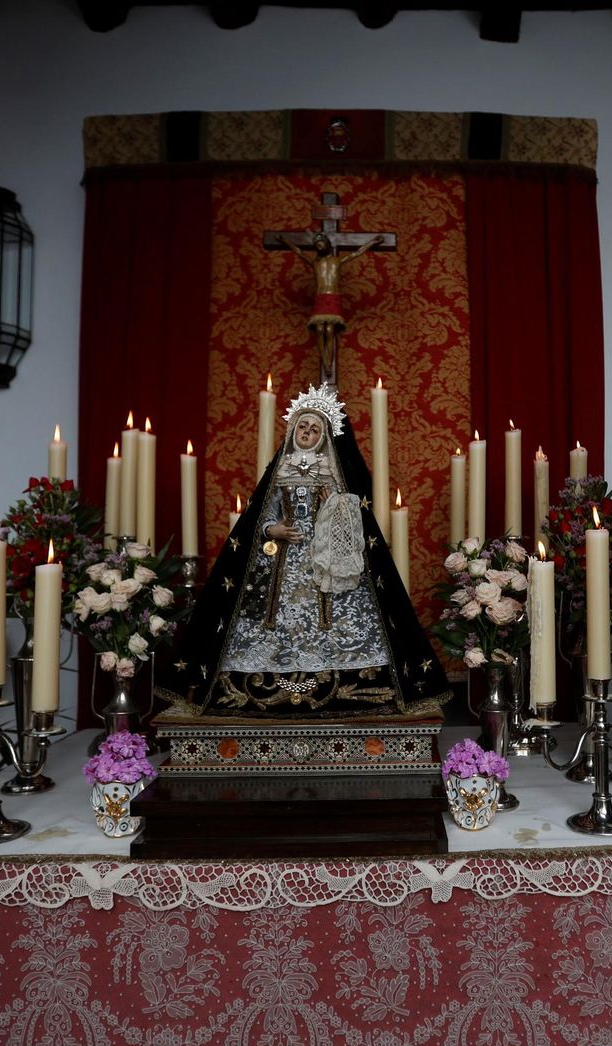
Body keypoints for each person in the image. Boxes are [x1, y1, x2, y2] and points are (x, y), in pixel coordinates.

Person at [156, 383, 448, 722]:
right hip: (284, 560)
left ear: (324, 437)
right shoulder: (281, 470)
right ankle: (271, 679)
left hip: (326, 556)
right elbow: (261, 515)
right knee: (275, 614)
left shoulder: (330, 472)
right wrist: (273, 529)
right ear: (293, 430)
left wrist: (335, 504)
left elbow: (350, 514)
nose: (307, 433)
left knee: (336, 611)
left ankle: (342, 679)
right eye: (302, 427)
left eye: (314, 429)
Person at [278, 232, 385, 384]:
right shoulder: (315, 262)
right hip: (320, 297)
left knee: (329, 330)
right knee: (320, 330)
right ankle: (326, 362)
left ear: (327, 245)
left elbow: (355, 253)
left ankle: (329, 361)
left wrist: (372, 243)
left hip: (332, 297)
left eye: (321, 244)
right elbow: (300, 253)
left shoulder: (336, 261)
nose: (320, 247)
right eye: (317, 246)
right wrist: (286, 241)